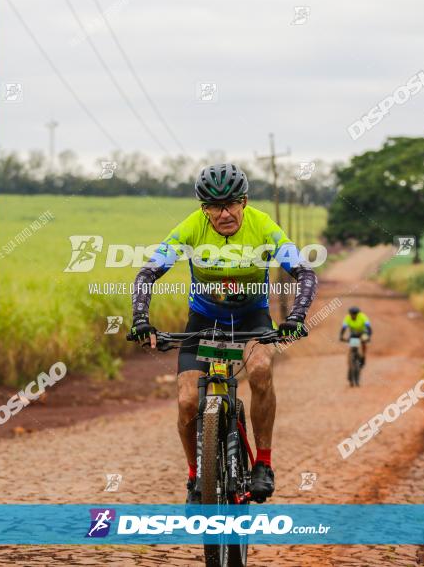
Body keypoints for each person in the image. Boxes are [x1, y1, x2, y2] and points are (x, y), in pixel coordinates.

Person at [130, 164, 317, 504]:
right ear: (204, 209)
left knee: (260, 370)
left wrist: (296, 316)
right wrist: (140, 318)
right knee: (187, 401)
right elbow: (147, 273)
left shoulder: (263, 226)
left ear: (244, 202)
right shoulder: (192, 228)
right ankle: (194, 476)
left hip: (251, 318)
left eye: (231, 203)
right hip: (204, 321)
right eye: (215, 207)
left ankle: (263, 463)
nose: (225, 213)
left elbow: (305, 272)